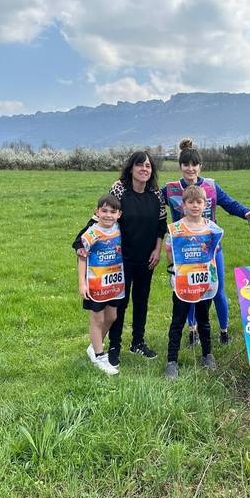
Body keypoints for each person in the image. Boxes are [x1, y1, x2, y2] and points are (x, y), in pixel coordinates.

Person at [162, 138, 250, 346]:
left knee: (218, 291)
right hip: (185, 251)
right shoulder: (170, 189)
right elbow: (148, 199)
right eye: (186, 164)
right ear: (180, 166)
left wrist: (246, 212)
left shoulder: (211, 186)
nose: (190, 168)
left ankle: (224, 332)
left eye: (194, 164)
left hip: (211, 249)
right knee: (188, 291)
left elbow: (229, 203)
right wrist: (122, 186)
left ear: (200, 166)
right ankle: (193, 331)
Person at [74, 151, 166, 368]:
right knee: (119, 305)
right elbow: (104, 217)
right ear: (131, 168)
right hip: (121, 260)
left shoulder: (156, 194)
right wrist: (80, 242)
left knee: (142, 300)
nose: (144, 169)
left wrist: (157, 250)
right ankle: (114, 346)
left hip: (147, 258)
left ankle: (138, 342)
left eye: (148, 166)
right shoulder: (119, 189)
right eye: (140, 165)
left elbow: (161, 225)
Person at [164, 185, 224, 379]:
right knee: (177, 321)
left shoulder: (212, 228)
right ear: (184, 205)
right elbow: (168, 249)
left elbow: (214, 250)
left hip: (205, 283)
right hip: (183, 283)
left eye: (199, 202)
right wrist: (173, 269)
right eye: (191, 202)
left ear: (205, 205)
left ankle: (207, 355)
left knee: (204, 320)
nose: (195, 206)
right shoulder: (176, 229)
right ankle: (172, 361)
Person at [73, 194, 123, 375]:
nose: (108, 215)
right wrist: (82, 284)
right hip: (95, 284)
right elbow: (82, 258)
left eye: (113, 212)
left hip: (114, 283)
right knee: (97, 319)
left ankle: (94, 347)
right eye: (104, 211)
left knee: (112, 317)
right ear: (97, 212)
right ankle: (100, 357)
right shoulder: (91, 233)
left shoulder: (119, 229)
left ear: (119, 214)